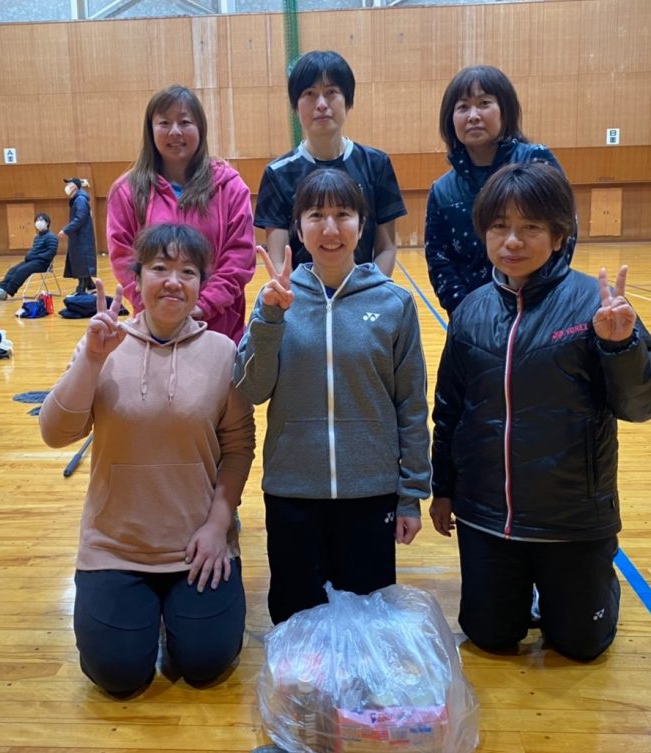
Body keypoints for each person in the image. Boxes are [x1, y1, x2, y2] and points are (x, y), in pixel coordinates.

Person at [430, 162, 651, 662]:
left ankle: (594, 581)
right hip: (487, 517)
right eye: (500, 226)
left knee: (582, 644)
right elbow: (449, 410)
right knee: (489, 636)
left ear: (560, 235)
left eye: (531, 227)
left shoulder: (595, 306)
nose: (512, 241)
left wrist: (620, 346)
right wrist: (444, 490)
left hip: (572, 518)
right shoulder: (470, 312)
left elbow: (643, 404)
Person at [40, 223, 255, 696]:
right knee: (116, 675)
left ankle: (173, 619)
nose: (173, 281)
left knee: (206, 664)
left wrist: (218, 525)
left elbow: (239, 448)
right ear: (136, 278)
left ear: (201, 285)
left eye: (188, 272)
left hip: (197, 546)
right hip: (114, 547)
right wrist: (91, 360)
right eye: (160, 268)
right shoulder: (103, 345)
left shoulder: (224, 353)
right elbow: (55, 433)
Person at [235, 168, 430, 625]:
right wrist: (269, 319)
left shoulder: (393, 304)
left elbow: (412, 406)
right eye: (316, 215)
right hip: (292, 493)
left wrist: (410, 495)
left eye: (343, 214)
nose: (330, 228)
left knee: (366, 625)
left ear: (362, 226)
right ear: (298, 228)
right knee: (295, 621)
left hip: (371, 492)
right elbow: (251, 389)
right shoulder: (275, 299)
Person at [107, 84, 255, 345]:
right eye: (164, 123)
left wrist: (202, 306)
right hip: (155, 332)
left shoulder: (230, 186)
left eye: (185, 122)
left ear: (200, 128)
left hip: (219, 331)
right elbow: (124, 258)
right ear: (150, 130)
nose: (175, 131)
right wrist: (160, 310)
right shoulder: (127, 191)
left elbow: (239, 258)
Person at [425, 65, 576, 315]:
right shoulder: (442, 190)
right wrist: (468, 313)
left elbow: (564, 228)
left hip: (540, 310)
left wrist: (535, 303)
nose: (473, 115)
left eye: (484, 103)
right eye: (463, 107)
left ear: (505, 109)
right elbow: (439, 260)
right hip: (472, 316)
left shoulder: (536, 160)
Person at [254, 50, 406, 276]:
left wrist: (369, 291)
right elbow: (279, 259)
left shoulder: (377, 165)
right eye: (310, 93)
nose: (321, 104)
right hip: (302, 294)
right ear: (296, 106)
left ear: (348, 101)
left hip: (363, 292)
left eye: (331, 92)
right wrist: (298, 293)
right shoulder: (277, 174)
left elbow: (386, 248)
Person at [0, 212, 58, 298]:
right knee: (13, 270)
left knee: (22, 270)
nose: (38, 222)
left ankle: (7, 291)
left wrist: (36, 257)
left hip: (43, 263)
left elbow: (51, 252)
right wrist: (30, 255)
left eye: (41, 220)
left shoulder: (51, 236)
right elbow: (35, 250)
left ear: (47, 223)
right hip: (33, 261)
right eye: (37, 220)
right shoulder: (37, 237)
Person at [59, 178, 97, 295]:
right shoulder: (77, 199)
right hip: (79, 237)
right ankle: (90, 285)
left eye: (69, 184)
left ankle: (81, 289)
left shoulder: (80, 200)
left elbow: (80, 218)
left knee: (81, 261)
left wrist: (66, 230)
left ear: (75, 186)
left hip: (82, 237)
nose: (67, 186)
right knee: (79, 261)